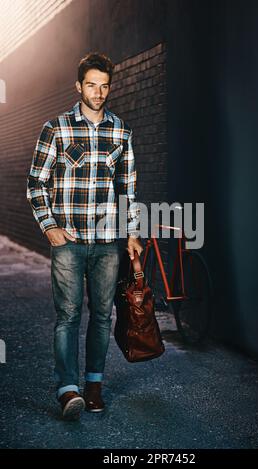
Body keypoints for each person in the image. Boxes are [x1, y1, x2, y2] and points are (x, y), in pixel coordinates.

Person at [26, 52, 143, 420]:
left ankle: (93, 386)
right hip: (69, 242)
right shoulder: (56, 128)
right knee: (68, 315)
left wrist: (132, 234)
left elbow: (127, 188)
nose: (98, 91)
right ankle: (67, 390)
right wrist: (49, 226)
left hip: (108, 242)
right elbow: (36, 183)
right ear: (78, 86)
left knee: (102, 316)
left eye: (104, 85)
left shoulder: (121, 132)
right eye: (91, 84)